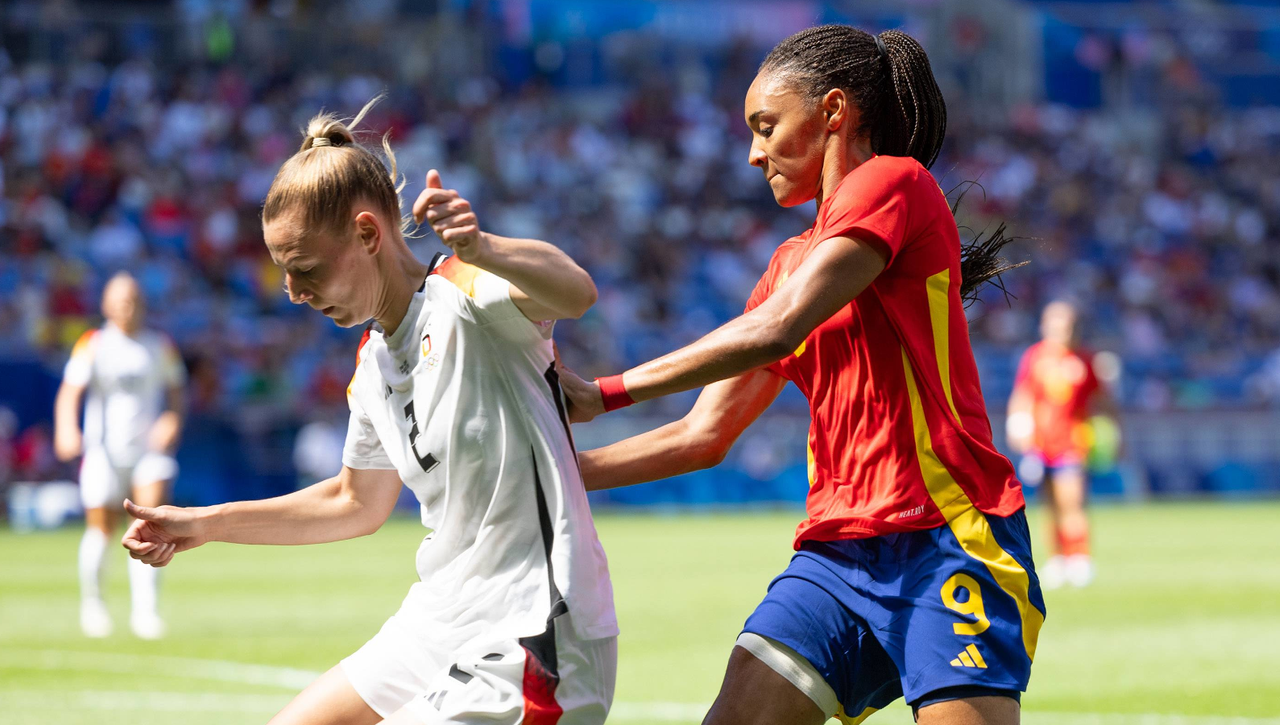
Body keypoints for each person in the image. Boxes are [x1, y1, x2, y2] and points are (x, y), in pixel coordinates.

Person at [556, 24, 1043, 725]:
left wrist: (603, 393)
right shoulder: (790, 263)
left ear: (834, 112)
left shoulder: (892, 182)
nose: (753, 154)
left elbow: (777, 328)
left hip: (948, 536)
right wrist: (559, 469)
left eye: (766, 125)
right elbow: (704, 432)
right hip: (836, 556)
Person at [120, 99, 618, 725]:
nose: (294, 294)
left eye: (305, 270)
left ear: (366, 234)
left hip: (533, 628)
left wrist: (485, 246)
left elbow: (575, 292)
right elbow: (354, 502)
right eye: (283, 274)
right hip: (440, 618)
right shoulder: (372, 363)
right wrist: (200, 524)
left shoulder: (466, 288)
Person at [54, 272, 186, 640]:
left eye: (133, 301)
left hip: (148, 452)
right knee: (101, 528)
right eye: (120, 301)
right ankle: (93, 605)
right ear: (106, 305)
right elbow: (70, 392)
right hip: (104, 451)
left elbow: (177, 391)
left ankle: (147, 612)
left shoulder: (159, 345)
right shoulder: (92, 344)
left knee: (153, 526)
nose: (127, 308)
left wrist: (171, 421)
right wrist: (67, 429)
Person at [1006, 300, 1120, 589]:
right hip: (1041, 444)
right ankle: (1057, 558)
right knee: (1048, 505)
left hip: (1073, 441)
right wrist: (1018, 427)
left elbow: (1102, 400)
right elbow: (1023, 396)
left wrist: (1116, 432)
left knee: (1073, 501)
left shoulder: (1084, 360)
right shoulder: (1034, 357)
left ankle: (1079, 557)